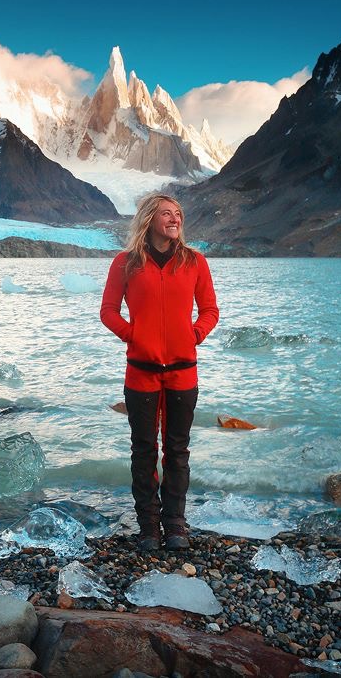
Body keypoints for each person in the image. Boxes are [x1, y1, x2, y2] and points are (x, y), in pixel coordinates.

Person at [100, 193, 219, 551]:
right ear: (150, 219)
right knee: (143, 450)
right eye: (166, 213)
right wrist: (133, 335)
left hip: (183, 372)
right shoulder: (125, 263)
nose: (175, 218)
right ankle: (149, 528)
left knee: (178, 451)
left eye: (178, 213)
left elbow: (210, 309)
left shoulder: (195, 261)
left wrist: (193, 335)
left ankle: (176, 524)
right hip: (141, 373)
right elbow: (108, 311)